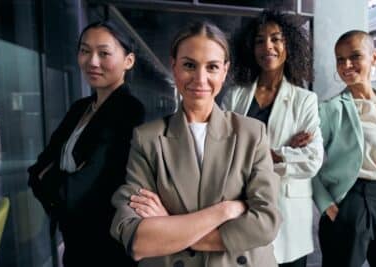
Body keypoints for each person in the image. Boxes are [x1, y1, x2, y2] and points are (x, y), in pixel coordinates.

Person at [110, 21, 281, 267]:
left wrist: (172, 227)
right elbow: (137, 240)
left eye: (212, 67)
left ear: (225, 71)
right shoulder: (147, 139)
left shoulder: (252, 134)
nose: (200, 79)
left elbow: (265, 223)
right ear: (174, 67)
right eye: (189, 65)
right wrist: (223, 211)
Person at [27, 21, 144, 266]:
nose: (92, 61)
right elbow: (37, 170)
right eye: (84, 50)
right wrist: (59, 186)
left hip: (106, 246)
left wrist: (54, 182)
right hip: (75, 241)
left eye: (104, 53)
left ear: (128, 61)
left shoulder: (129, 110)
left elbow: (89, 187)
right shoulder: (80, 108)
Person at [221, 10, 323, 267]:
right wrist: (284, 151)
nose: (268, 46)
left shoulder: (304, 100)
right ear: (250, 48)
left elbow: (312, 160)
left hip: (288, 215)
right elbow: (222, 152)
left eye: (276, 39)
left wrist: (258, 155)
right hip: (242, 206)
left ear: (289, 44)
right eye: (259, 40)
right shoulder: (235, 97)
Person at [312, 30, 376, 267]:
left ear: (374, 58)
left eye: (355, 56)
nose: (346, 65)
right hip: (354, 201)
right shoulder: (330, 109)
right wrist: (327, 205)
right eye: (340, 59)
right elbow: (309, 162)